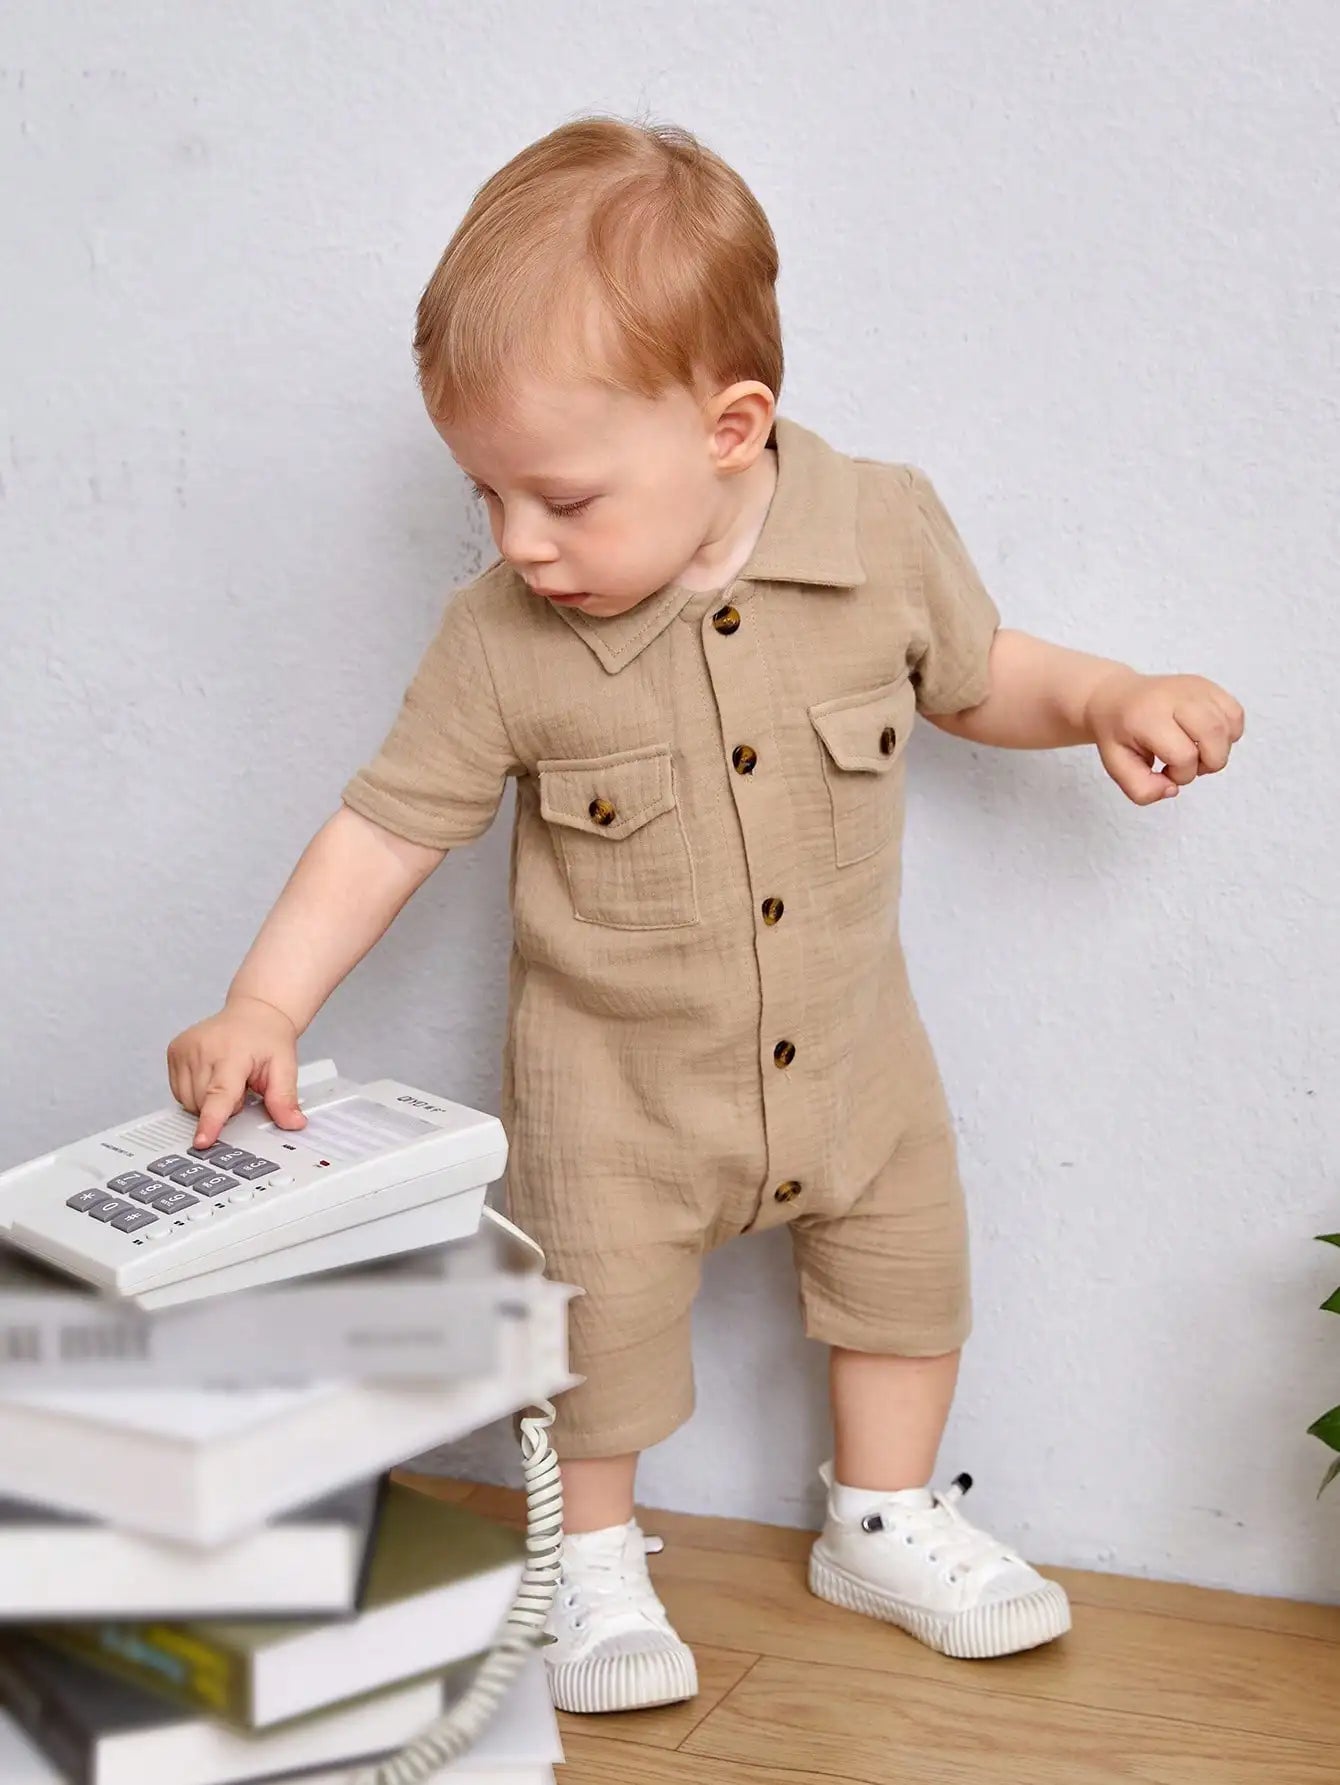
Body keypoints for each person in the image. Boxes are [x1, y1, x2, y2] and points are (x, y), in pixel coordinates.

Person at [166, 117, 1244, 1714]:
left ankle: (883, 1513)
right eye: (485, 494)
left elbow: (976, 674)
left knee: (911, 1267)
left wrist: (1102, 696)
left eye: (560, 496)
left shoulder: (883, 532)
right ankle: (592, 1554)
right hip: (617, 1091)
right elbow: (388, 826)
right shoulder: (498, 638)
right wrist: (265, 1002)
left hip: (855, 1056)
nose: (518, 540)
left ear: (732, 427)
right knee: (593, 1325)